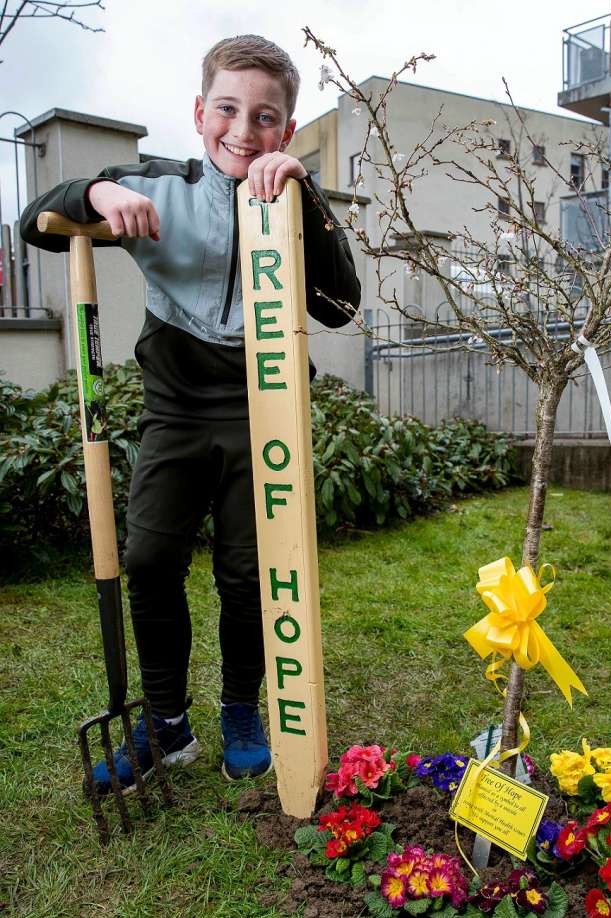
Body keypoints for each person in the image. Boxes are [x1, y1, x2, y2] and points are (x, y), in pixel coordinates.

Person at [21, 35, 361, 788]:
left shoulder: (292, 200)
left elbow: (339, 305)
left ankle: (242, 706)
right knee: (147, 558)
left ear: (288, 127)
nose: (244, 131)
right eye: (229, 110)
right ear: (200, 112)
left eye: (265, 117)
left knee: (247, 573)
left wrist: (304, 191)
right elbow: (36, 222)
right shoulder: (160, 188)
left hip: (263, 409)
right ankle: (166, 725)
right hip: (175, 407)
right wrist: (97, 195)